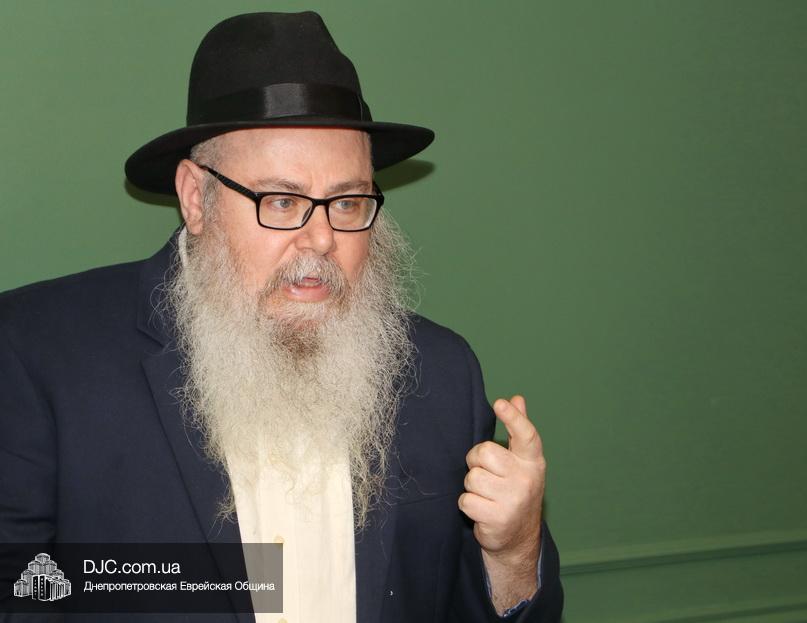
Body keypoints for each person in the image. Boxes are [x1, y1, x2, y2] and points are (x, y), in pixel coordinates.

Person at [0, 10, 562, 623]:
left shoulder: (442, 372)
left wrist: (513, 552)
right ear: (195, 197)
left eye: (347, 202)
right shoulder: (38, 354)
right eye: (283, 200)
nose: (321, 238)